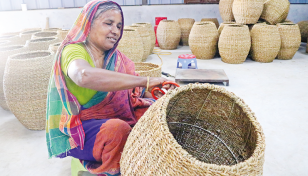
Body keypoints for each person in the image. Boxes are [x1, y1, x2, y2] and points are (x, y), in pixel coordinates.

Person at [46, 1, 176, 175]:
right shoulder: (73, 51)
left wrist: (162, 93)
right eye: (108, 23)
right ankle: (114, 171)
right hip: (79, 129)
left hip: (113, 117)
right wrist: (145, 81)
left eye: (119, 26)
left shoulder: (116, 59)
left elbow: (134, 92)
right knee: (117, 130)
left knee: (155, 114)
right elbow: (83, 75)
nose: (115, 30)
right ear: (89, 24)